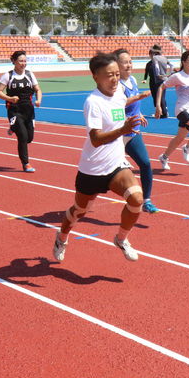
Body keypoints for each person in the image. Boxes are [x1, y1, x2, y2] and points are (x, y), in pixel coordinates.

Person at [52, 53, 144, 262]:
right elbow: (95, 139)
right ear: (95, 77)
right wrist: (123, 130)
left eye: (116, 74)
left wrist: (136, 106)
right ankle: (62, 237)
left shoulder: (119, 91)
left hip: (116, 164)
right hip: (92, 168)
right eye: (108, 75)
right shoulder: (93, 102)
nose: (114, 79)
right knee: (79, 211)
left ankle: (121, 239)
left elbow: (120, 105)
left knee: (136, 199)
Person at [113, 48, 159, 213]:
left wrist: (138, 114)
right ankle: (87, 195)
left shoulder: (132, 79)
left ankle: (146, 200)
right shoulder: (116, 85)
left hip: (133, 133)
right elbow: (115, 108)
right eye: (124, 62)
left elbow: (133, 104)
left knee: (145, 164)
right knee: (106, 173)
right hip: (117, 134)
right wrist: (124, 120)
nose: (129, 65)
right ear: (116, 65)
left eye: (130, 61)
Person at [156, 50, 189, 169]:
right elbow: (161, 87)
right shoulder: (177, 76)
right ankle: (187, 148)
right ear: (184, 62)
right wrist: (158, 106)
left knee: (180, 137)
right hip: (182, 109)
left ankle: (164, 157)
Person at [0, 50, 42, 173]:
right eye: (20, 61)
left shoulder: (30, 74)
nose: (23, 63)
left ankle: (13, 127)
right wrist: (10, 98)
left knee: (29, 138)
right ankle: (26, 163)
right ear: (14, 61)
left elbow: (38, 89)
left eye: (25, 61)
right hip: (15, 110)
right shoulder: (8, 76)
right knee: (22, 137)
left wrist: (39, 100)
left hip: (29, 110)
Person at [142, 45, 173, 118]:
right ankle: (158, 111)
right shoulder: (149, 63)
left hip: (160, 81)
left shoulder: (158, 61)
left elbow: (159, 69)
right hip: (152, 82)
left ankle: (164, 112)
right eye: (151, 54)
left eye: (152, 54)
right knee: (155, 96)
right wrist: (145, 79)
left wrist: (166, 74)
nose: (151, 56)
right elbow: (146, 72)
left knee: (161, 97)